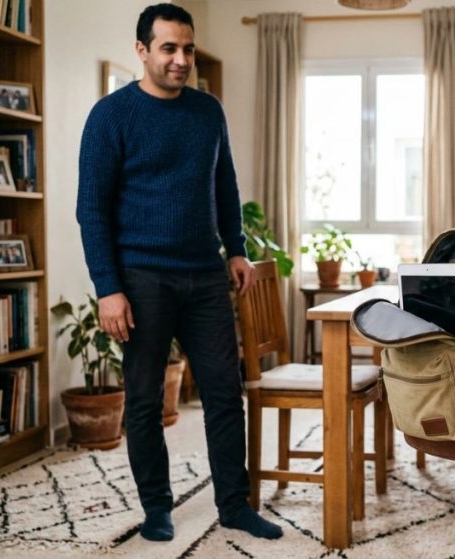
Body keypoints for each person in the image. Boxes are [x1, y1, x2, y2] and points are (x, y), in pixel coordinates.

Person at [76, 3, 282, 543]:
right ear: (142, 50)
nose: (181, 59)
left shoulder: (208, 111)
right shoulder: (111, 116)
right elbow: (91, 209)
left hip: (205, 276)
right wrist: (109, 289)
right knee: (145, 399)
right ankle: (157, 508)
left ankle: (234, 505)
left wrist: (236, 249)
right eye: (169, 48)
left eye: (187, 48)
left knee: (222, 392)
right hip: (142, 280)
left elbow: (226, 186)